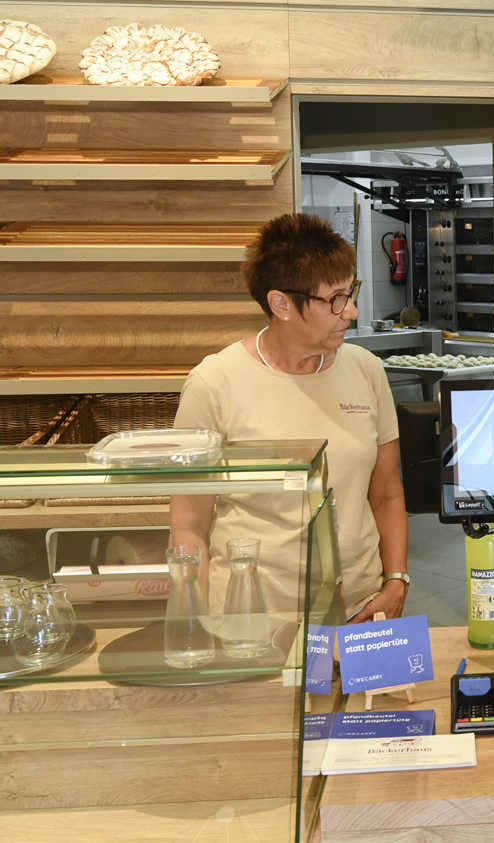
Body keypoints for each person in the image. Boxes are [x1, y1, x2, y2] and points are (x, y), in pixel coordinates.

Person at [170, 213, 409, 622]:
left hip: (363, 608)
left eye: (350, 291)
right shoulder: (214, 383)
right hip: (253, 614)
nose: (351, 311)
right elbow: (189, 525)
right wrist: (199, 625)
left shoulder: (366, 370)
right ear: (280, 303)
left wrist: (396, 582)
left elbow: (386, 494)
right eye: (334, 299)